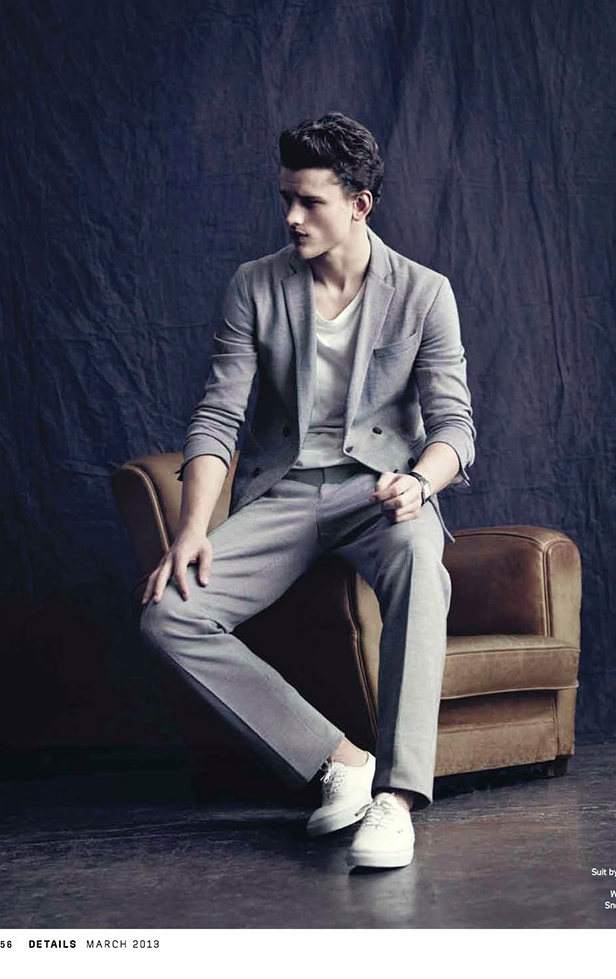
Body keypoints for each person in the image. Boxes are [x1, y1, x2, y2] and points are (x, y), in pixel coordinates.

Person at [141, 112, 475, 869]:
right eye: (286, 198)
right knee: (168, 614)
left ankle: (396, 799)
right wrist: (192, 529)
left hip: (379, 493)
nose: (291, 216)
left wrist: (419, 483)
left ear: (359, 204)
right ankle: (339, 761)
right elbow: (219, 416)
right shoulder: (255, 286)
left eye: (310, 201)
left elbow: (456, 425)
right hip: (283, 493)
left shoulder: (424, 293)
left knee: (421, 563)